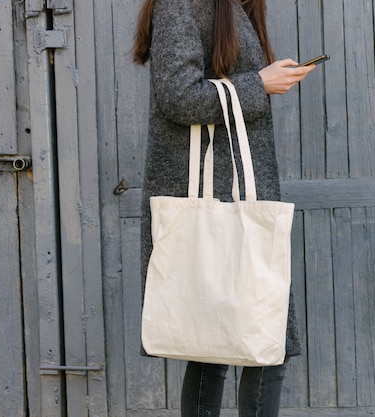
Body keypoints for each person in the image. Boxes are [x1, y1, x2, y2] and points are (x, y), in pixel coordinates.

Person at [132, 0, 315, 416]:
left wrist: (261, 82)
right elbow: (177, 96)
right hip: (213, 189)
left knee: (230, 340)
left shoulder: (235, 4)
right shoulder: (181, 3)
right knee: (249, 343)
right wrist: (260, 84)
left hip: (235, 186)